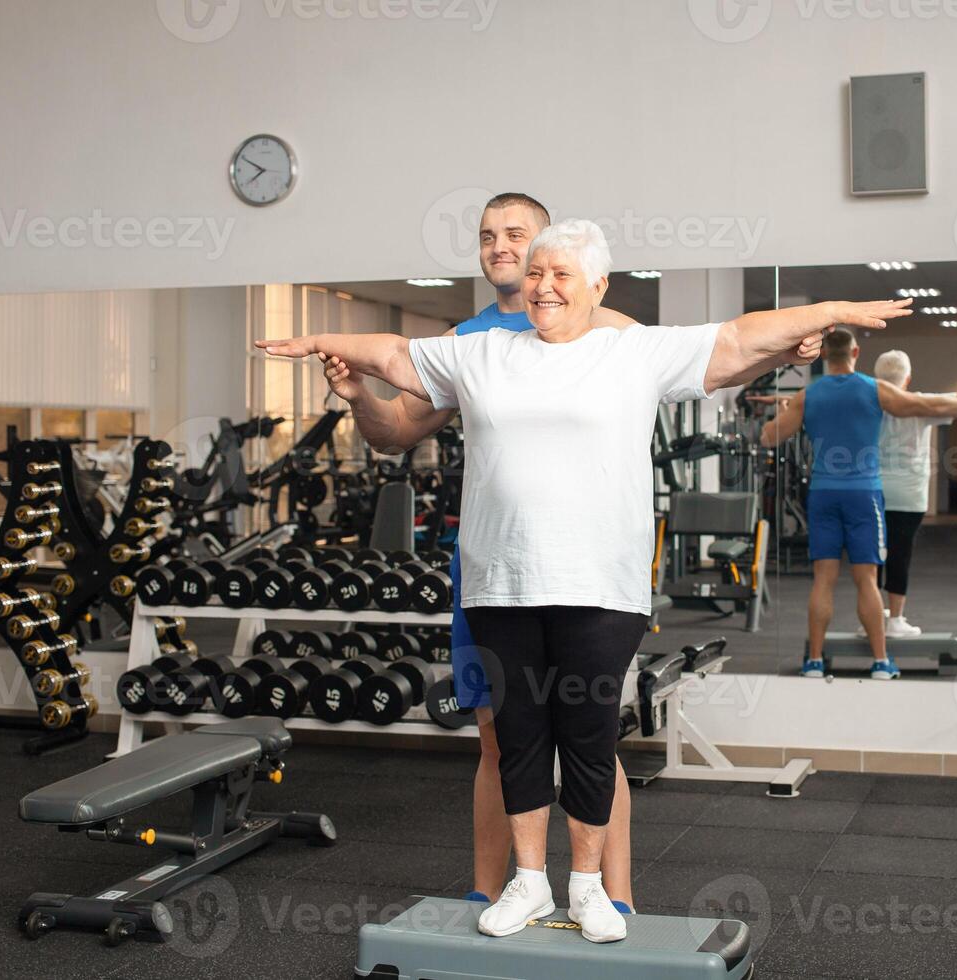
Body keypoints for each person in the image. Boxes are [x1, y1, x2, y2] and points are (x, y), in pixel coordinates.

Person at [259, 218, 908, 942]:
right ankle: (530, 882)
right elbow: (390, 353)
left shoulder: (631, 351)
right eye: (536, 274)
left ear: (598, 285)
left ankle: (591, 887)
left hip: (601, 586)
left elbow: (734, 339)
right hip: (501, 583)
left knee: (590, 738)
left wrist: (829, 314)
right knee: (520, 736)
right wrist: (322, 342)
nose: (543, 286)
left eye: (561, 274)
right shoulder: (482, 354)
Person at [311, 193, 642, 914]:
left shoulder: (603, 324)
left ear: (551, 249)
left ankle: (615, 898)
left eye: (515, 234)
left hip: (585, 569)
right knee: (498, 733)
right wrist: (357, 393)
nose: (499, 246)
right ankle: (491, 892)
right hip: (493, 569)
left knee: (592, 732)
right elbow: (396, 431)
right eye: (488, 235)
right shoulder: (467, 339)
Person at [762, 330, 957, 679]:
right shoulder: (874, 388)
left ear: (823, 354)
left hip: (823, 493)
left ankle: (813, 660)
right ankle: (881, 662)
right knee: (866, 580)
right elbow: (926, 405)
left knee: (822, 580)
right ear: (855, 351)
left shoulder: (807, 396)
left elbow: (770, 437)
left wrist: (783, 412)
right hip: (863, 494)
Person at [871, 349, 957, 635]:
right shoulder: (921, 403)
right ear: (907, 378)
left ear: (876, 378)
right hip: (909, 496)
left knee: (873, 557)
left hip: (873, 491)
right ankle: (895, 619)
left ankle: (871, 617)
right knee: (900, 553)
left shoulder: (868, 402)